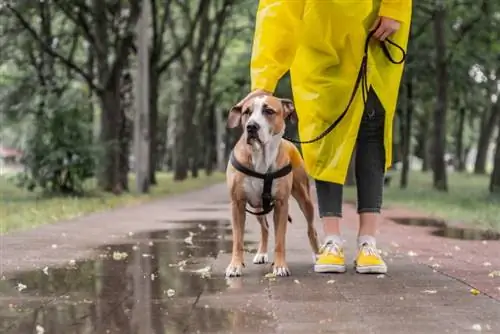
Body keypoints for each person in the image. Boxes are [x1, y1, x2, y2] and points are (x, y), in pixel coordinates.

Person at [236, 0, 412, 274]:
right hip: (319, 42)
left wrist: (395, 8)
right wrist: (263, 81)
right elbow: (277, 9)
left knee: (371, 132)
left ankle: (368, 242)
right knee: (323, 138)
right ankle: (331, 240)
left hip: (374, 31)